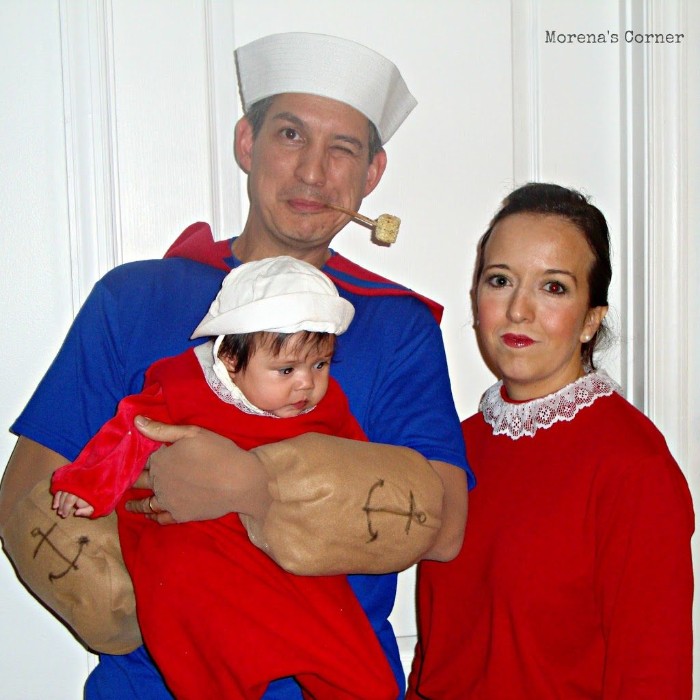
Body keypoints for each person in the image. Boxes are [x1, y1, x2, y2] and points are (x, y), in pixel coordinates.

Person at [0, 32, 472, 699]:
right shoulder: (136, 298)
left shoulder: (398, 328)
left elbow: (446, 525)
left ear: (371, 176)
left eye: (344, 149)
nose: (313, 172)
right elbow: (27, 499)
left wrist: (250, 488)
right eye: (289, 135)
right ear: (246, 144)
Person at [50, 255, 398, 699]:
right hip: (198, 547)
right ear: (230, 360)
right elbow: (128, 434)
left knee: (359, 669)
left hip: (284, 548)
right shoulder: (183, 389)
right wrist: (85, 487)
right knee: (195, 623)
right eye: (287, 370)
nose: (306, 385)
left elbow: (358, 465)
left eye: (321, 365)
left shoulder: (325, 407)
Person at [407, 182, 694, 699]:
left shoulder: (633, 466)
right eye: (500, 280)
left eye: (554, 287)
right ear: (476, 301)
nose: (519, 310)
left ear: (590, 320)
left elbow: (653, 677)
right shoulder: (454, 447)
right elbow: (438, 652)